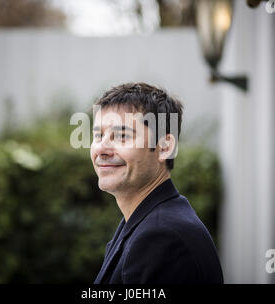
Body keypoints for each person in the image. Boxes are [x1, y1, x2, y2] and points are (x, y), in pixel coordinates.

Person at [91, 82, 223, 284]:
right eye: (98, 135)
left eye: (121, 136)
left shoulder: (162, 237)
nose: (101, 148)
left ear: (164, 147)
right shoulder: (144, 222)